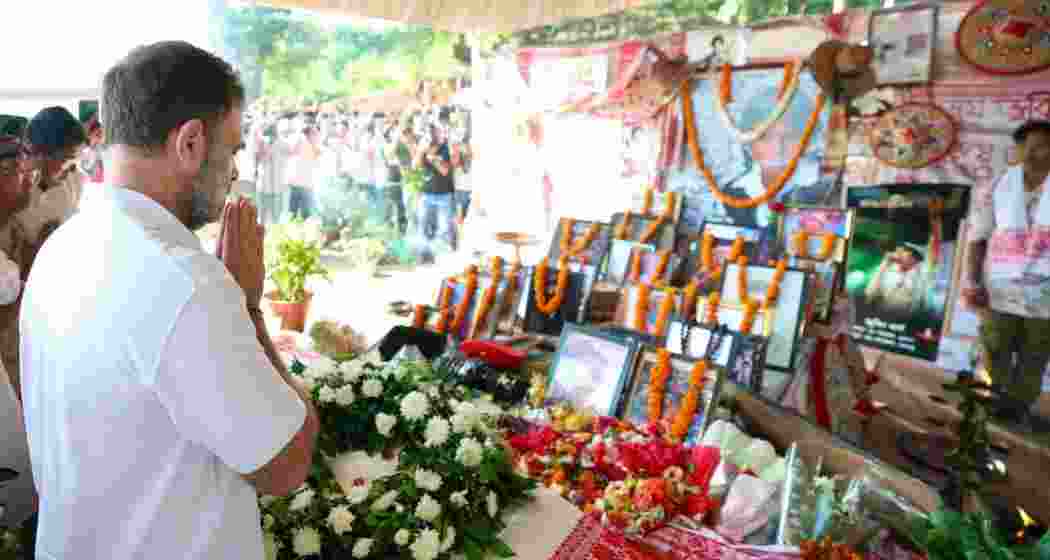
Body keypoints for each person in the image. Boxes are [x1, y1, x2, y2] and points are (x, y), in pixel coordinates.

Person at [19, 41, 318, 559]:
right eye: (233, 149)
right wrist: (247, 303)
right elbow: (287, 464)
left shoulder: (61, 247)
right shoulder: (186, 281)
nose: (233, 172)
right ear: (191, 142)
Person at [966, 119, 1050, 422]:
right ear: (1017, 149)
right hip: (1000, 291)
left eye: (1042, 146)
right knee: (994, 350)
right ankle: (992, 407)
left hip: (1045, 299)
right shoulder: (998, 186)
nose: (1033, 153)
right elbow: (977, 238)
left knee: (1034, 359)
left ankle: (1016, 413)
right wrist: (973, 282)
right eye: (1027, 146)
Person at [19, 106, 87, 246]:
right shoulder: (15, 188)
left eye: (73, 158)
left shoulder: (72, 178)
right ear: (40, 151)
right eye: (65, 158)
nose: (69, 165)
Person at [413, 123, 456, 261]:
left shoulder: (444, 149)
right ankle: (424, 255)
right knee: (422, 226)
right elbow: (415, 166)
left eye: (433, 134)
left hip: (444, 195)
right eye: (428, 135)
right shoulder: (423, 149)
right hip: (426, 194)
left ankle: (442, 257)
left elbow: (445, 171)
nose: (431, 137)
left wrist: (433, 158)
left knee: (444, 229)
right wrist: (421, 151)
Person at [863, 244, 929, 319]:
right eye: (908, 253)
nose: (911, 259)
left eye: (915, 258)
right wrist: (885, 264)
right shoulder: (885, 269)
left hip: (903, 319)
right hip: (879, 315)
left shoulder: (919, 279)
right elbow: (869, 293)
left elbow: (919, 306)